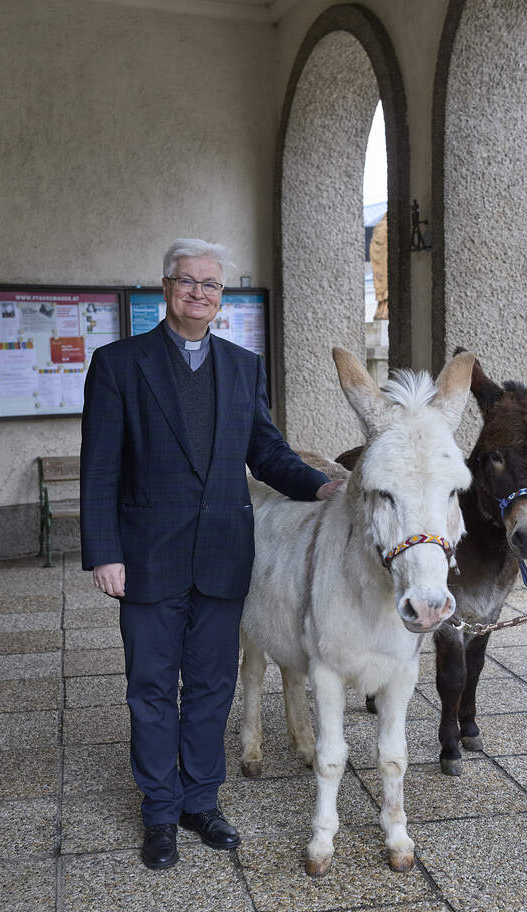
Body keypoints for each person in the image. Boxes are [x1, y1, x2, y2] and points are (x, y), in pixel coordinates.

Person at [80, 238, 340, 870]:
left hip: (223, 557)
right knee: (150, 687)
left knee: (212, 685)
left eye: (212, 284)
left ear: (221, 297)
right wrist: (104, 553)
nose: (199, 293)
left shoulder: (242, 366)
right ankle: (159, 810)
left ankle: (200, 800)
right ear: (166, 287)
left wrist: (323, 487)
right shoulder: (119, 365)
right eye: (188, 281)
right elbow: (100, 470)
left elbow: (267, 453)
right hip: (147, 557)